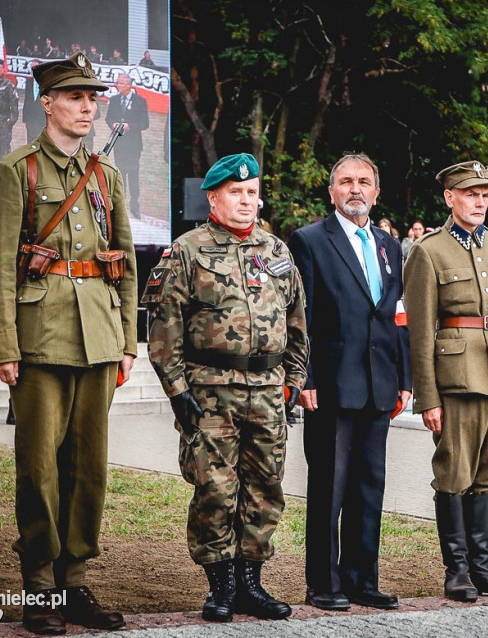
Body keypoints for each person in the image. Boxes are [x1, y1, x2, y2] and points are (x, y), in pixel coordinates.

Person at [0, 51, 137, 634]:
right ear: (47, 103)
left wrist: (127, 339)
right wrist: (2, 345)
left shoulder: (106, 176)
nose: (87, 106)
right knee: (39, 466)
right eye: (75, 97)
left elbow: (124, 263)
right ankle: (40, 587)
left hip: (98, 337)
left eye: (93, 97)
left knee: (89, 466)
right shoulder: (17, 171)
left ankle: (75, 582)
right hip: (38, 338)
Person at [144, 153, 308, 623]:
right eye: (235, 192)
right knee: (215, 489)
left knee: (266, 489)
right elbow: (165, 328)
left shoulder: (277, 251)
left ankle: (251, 585)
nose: (245, 200)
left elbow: (298, 323)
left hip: (269, 392)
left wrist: (294, 381)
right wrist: (178, 391)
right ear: (213, 197)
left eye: (251, 192)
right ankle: (221, 587)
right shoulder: (186, 250)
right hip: (211, 392)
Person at [402, 160, 488, 603]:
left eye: (485, 194)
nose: (480, 201)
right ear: (450, 198)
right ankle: (456, 571)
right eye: (470, 193)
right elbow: (420, 331)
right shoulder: (428, 250)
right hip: (458, 378)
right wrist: (428, 398)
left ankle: (482, 570)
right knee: (455, 474)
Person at [288, 152, 411, 612]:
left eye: (363, 181)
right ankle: (324, 583)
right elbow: (301, 318)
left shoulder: (389, 244)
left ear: (376, 191)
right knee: (329, 488)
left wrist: (405, 378)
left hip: (380, 383)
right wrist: (306, 377)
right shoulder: (309, 241)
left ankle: (363, 580)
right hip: (331, 386)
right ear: (332, 191)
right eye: (345, 181)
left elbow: (397, 317)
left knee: (369, 485)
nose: (355, 188)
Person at [105, 73, 149, 217]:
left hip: (134, 145)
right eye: (118, 83)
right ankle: (119, 205)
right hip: (119, 144)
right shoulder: (114, 100)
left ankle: (135, 206)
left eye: (121, 83)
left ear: (129, 85)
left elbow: (145, 124)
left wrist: (130, 126)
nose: (118, 85)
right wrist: (113, 124)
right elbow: (108, 118)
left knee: (133, 175)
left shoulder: (140, 102)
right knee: (120, 175)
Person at [22, 59, 45, 143]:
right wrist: (24, 119)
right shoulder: (28, 83)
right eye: (32, 67)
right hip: (31, 119)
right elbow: (26, 101)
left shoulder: (47, 83)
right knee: (30, 142)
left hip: (43, 119)